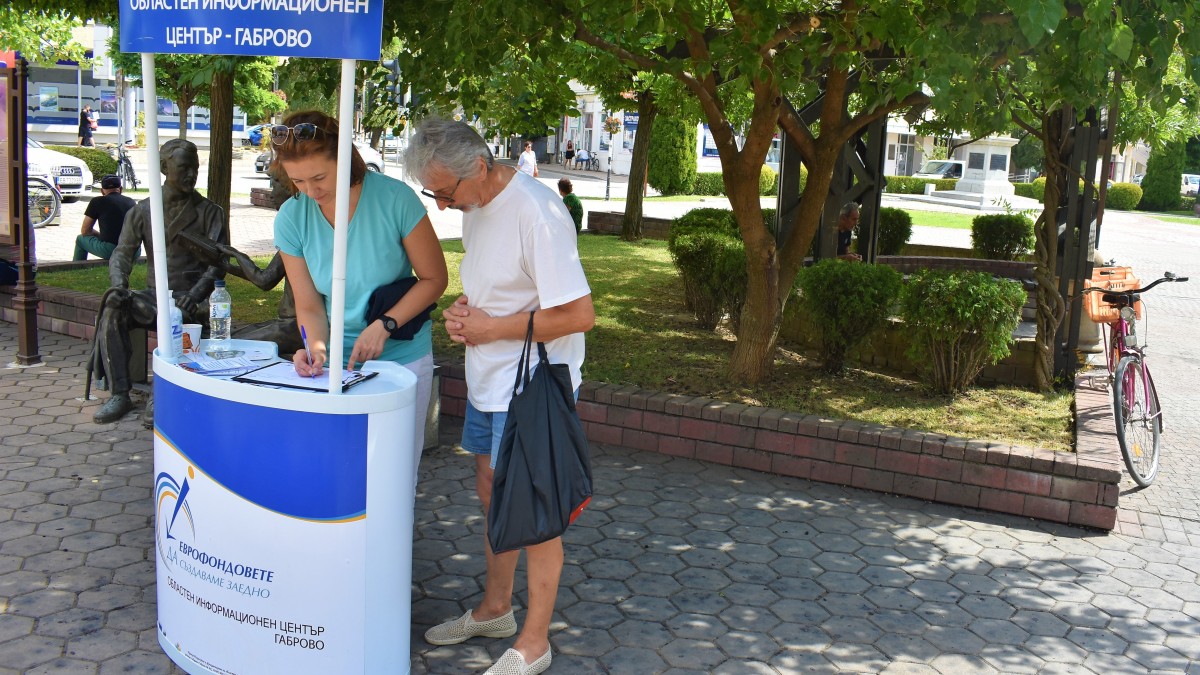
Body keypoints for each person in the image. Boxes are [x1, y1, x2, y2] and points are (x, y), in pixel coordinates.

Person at [407, 118, 594, 675]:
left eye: (446, 193)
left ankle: (535, 642)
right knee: (493, 491)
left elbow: (579, 315)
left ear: (480, 168)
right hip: (492, 377)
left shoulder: (537, 212)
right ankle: (495, 609)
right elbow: (501, 290)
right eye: (432, 193)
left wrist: (493, 329)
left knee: (536, 507)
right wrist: (467, 313)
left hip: (534, 384)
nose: (441, 207)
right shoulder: (478, 206)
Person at [272, 110, 448, 464]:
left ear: (344, 157)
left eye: (319, 177)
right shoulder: (292, 217)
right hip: (336, 367)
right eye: (298, 182)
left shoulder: (395, 199)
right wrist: (317, 349)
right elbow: (308, 304)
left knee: (395, 473)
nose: (311, 191)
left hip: (402, 360)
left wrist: (385, 325)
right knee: (340, 470)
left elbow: (435, 279)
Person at [90, 139, 229, 424]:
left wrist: (196, 293)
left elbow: (219, 264)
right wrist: (119, 284)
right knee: (114, 307)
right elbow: (122, 254)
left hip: (193, 301)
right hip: (155, 298)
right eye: (184, 168)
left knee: (176, 318)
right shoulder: (143, 211)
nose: (191, 174)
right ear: (165, 168)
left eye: (195, 168)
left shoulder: (209, 212)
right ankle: (120, 393)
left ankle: (163, 395)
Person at [73, 175, 135, 261]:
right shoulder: (131, 202)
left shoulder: (97, 202)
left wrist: (100, 235)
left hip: (112, 250)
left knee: (80, 239)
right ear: (120, 189)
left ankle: (77, 268)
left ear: (102, 191)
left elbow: (85, 231)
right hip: (134, 251)